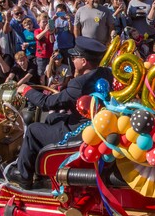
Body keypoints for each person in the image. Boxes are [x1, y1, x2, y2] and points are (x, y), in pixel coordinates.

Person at [11, 37, 113, 190]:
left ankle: (23, 176)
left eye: (74, 57)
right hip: (93, 124)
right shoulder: (105, 73)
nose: (71, 60)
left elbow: (47, 103)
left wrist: (26, 90)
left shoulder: (78, 83)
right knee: (53, 117)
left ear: (84, 61)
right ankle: (40, 166)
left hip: (80, 132)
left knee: (33, 130)